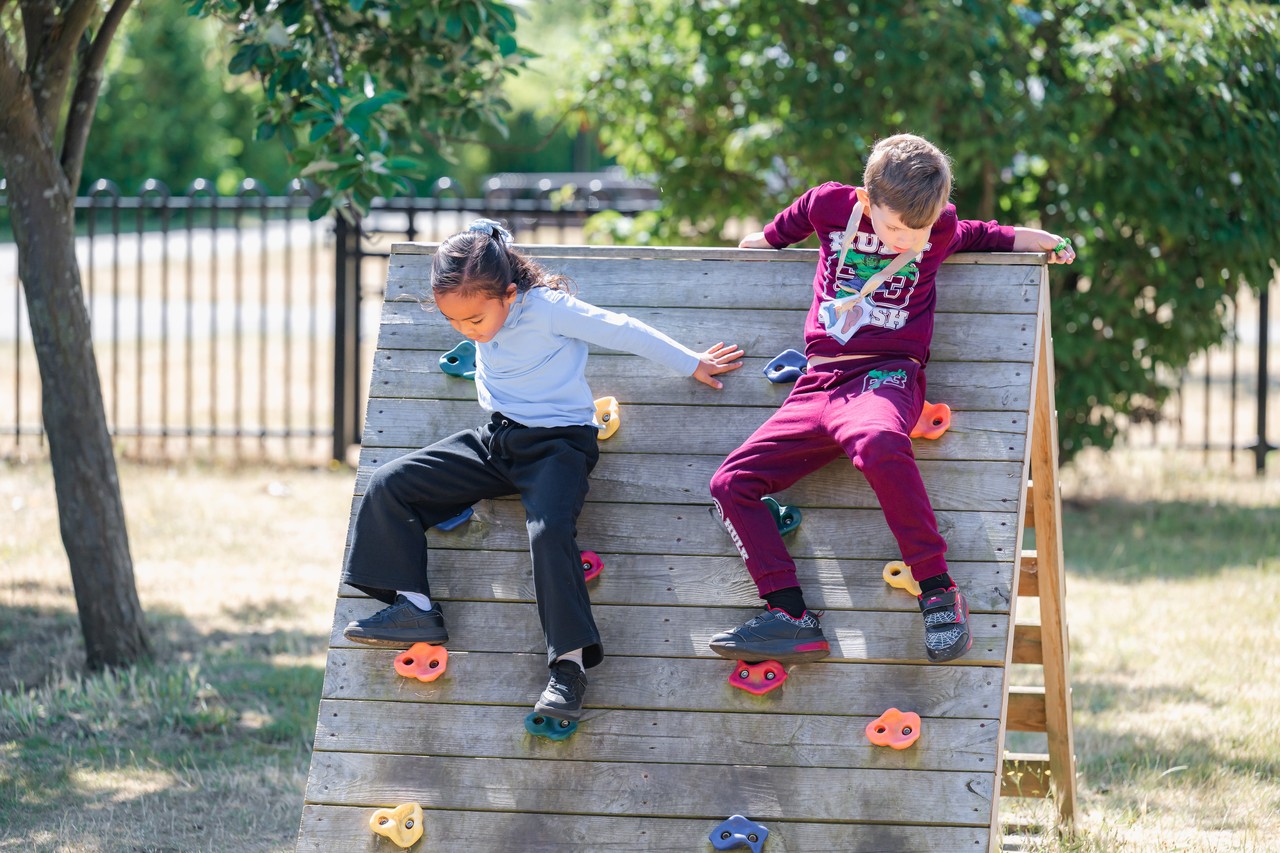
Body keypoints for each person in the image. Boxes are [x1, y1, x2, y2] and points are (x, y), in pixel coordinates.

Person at [342, 219, 744, 721]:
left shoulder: (549, 310)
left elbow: (622, 328)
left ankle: (568, 669)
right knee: (390, 484)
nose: (468, 330)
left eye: (475, 320)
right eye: (455, 322)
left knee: (550, 531)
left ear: (509, 294)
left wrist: (691, 362)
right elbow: (491, 245)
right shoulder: (486, 285)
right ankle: (416, 610)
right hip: (500, 441)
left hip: (560, 447)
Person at [708, 133, 1074, 664]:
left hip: (885, 378)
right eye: (896, 227)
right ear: (865, 198)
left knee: (879, 440)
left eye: (919, 232)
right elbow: (782, 229)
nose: (907, 241)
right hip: (818, 382)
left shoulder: (938, 228)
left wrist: (1037, 239)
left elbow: (986, 234)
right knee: (730, 483)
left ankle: (938, 591)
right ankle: (788, 613)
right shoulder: (829, 205)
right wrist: (763, 241)